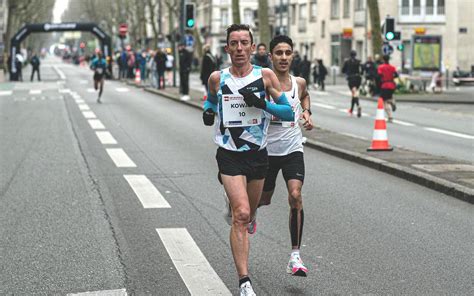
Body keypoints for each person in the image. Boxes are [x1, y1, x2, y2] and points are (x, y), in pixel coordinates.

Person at [202, 24, 293, 296]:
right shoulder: (217, 78)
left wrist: (262, 103)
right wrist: (208, 111)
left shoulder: (265, 76)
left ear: (253, 48)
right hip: (228, 154)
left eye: (244, 43)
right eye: (234, 43)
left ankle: (241, 207)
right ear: (227, 48)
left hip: (258, 155)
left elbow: (288, 113)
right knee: (240, 215)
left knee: (250, 213)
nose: (239, 48)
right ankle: (245, 282)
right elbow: (209, 100)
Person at [256, 34, 313, 277]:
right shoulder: (261, 81)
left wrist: (307, 112)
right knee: (264, 200)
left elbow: (304, 96)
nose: (283, 57)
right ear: (270, 56)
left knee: (295, 195)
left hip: (292, 148)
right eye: (278, 53)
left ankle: (295, 256)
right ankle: (246, 211)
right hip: (267, 151)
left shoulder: (298, 82)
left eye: (287, 53)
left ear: (293, 55)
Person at [377, 55, 398, 122]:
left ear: (383, 60)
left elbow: (379, 75)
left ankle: (390, 117)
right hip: (392, 85)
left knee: (384, 101)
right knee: (389, 97)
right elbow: (396, 75)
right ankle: (392, 102)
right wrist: (391, 77)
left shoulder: (381, 67)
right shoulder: (392, 67)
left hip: (385, 85)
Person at [342, 50, 363, 117]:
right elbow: (362, 70)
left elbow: (343, 70)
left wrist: (347, 73)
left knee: (354, 93)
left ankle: (358, 105)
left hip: (351, 78)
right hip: (358, 78)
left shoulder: (347, 62)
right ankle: (351, 109)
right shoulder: (358, 61)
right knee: (354, 94)